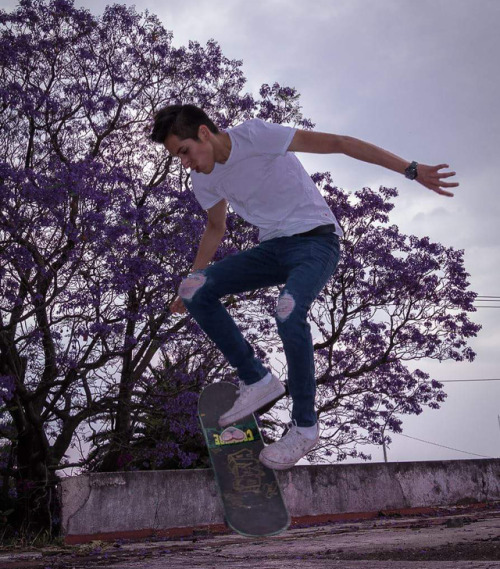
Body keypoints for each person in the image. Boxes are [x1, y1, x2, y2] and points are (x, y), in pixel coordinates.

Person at [150, 104, 458, 470]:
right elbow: (216, 229)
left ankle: (305, 428)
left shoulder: (256, 135)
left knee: (288, 311)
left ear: (203, 133)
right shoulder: (204, 180)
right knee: (195, 290)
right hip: (272, 249)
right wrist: (189, 283)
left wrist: (410, 169)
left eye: (184, 151)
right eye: (177, 158)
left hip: (316, 241)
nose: (185, 163)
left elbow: (340, 143)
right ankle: (257, 379)